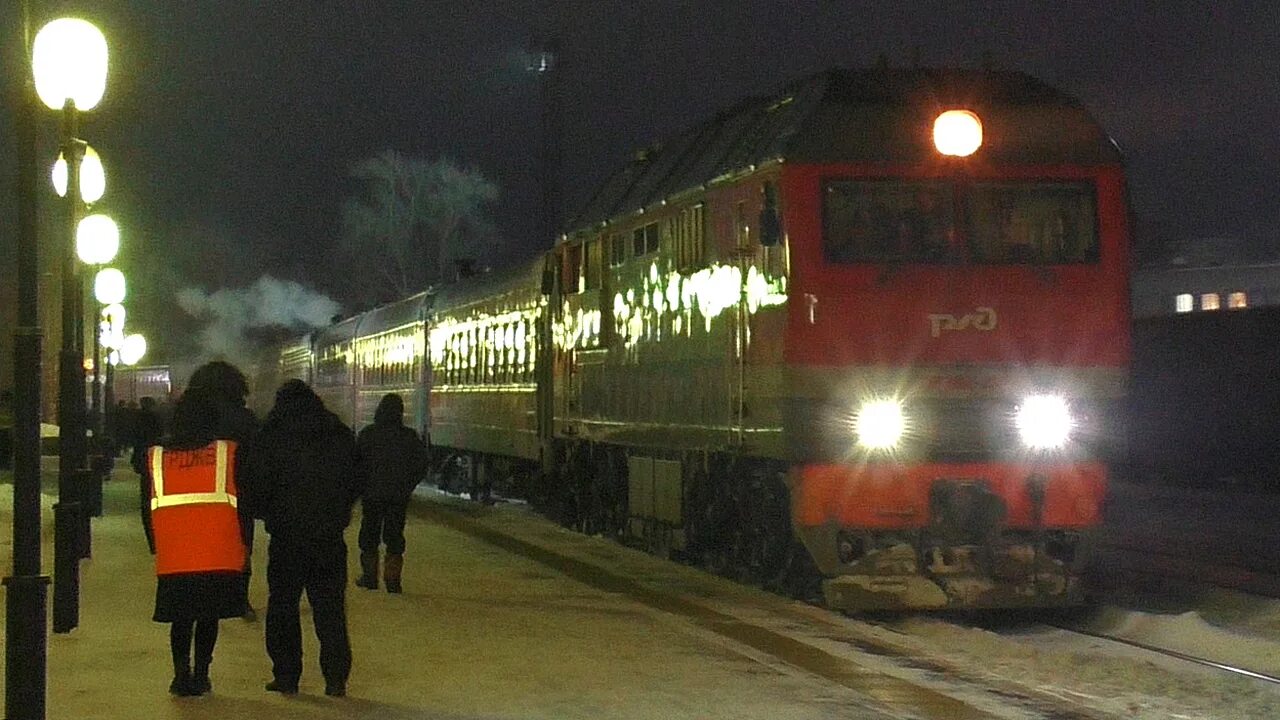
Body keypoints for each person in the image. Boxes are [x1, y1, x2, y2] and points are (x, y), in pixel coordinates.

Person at [246, 380, 362, 698]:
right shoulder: (337, 434)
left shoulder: (271, 436)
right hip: (328, 538)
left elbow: (256, 482)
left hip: (286, 538)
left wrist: (267, 512)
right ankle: (335, 678)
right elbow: (355, 478)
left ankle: (287, 675)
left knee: (283, 607)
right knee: (330, 610)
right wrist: (339, 512)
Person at [140, 389, 249, 697]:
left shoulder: (156, 456)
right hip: (216, 550)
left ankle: (180, 674)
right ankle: (202, 674)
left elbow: (145, 505)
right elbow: (244, 502)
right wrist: (243, 545)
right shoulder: (228, 453)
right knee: (207, 616)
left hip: (175, 552)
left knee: (181, 618)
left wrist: (155, 544)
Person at [186, 361, 262, 621]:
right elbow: (256, 461)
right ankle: (240, 598)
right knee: (241, 548)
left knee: (204, 549)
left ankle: (206, 597)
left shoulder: (191, 419)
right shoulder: (246, 419)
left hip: (199, 494)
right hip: (239, 495)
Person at [354, 393, 428, 593]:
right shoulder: (409, 437)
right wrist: (408, 484)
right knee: (395, 536)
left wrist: (361, 486)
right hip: (398, 496)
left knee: (369, 534)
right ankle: (393, 580)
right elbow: (422, 464)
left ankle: (370, 577)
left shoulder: (368, 435)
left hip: (372, 495)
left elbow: (356, 464)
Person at [132, 396, 166, 553]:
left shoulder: (138, 418)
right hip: (156, 457)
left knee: (146, 497)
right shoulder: (156, 418)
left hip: (144, 458)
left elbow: (136, 439)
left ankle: (153, 541)